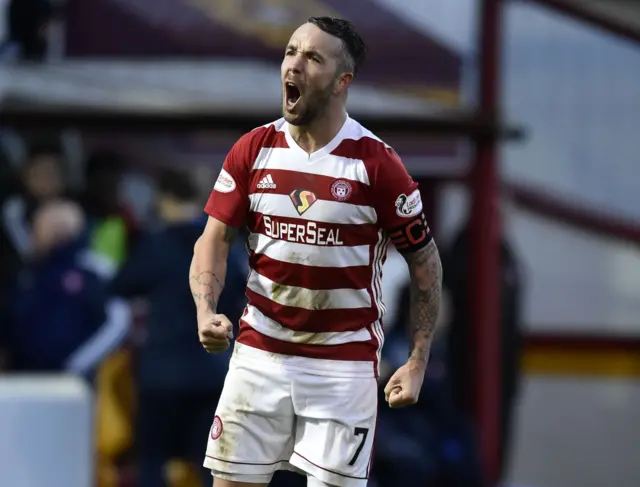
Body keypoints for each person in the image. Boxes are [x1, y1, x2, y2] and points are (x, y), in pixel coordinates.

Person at [190, 17, 443, 487]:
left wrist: (417, 360)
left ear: (342, 81)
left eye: (313, 58)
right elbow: (213, 239)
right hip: (259, 356)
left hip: (341, 368)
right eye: (290, 52)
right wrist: (206, 309)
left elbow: (426, 263)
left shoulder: (376, 163)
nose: (295, 64)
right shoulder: (253, 149)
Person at [109, 168, 248, 487]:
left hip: (162, 373)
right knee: (211, 465)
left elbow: (121, 286)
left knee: (151, 463)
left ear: (163, 200)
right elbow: (241, 296)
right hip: (212, 372)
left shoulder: (154, 245)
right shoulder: (225, 244)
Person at [6, 199, 130, 377]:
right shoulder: (32, 273)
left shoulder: (93, 269)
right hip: (22, 380)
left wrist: (77, 366)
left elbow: (118, 319)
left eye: (37, 227)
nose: (32, 234)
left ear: (57, 230)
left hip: (72, 386)